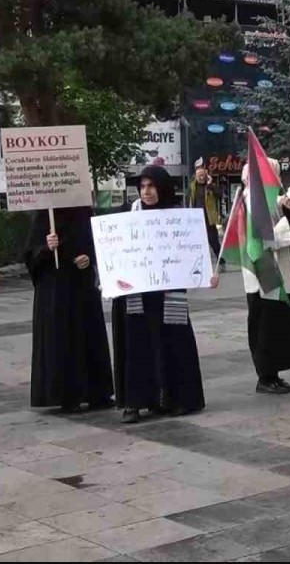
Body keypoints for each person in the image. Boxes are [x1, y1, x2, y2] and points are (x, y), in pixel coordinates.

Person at [112, 166, 206, 423]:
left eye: (151, 186)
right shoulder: (128, 214)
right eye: (142, 186)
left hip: (168, 292)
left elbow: (191, 251)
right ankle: (134, 402)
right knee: (136, 344)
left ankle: (177, 399)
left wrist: (204, 272)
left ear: (162, 188)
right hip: (137, 294)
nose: (146, 191)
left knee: (173, 342)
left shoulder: (177, 216)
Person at [221, 160, 290, 394]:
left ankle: (273, 374)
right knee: (265, 325)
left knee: (276, 324)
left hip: (275, 272)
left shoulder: (268, 198)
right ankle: (266, 376)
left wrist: (288, 209)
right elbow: (261, 239)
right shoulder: (250, 200)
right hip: (263, 273)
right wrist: (285, 220)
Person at [25, 206, 114, 413]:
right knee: (62, 337)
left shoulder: (83, 212)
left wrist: (89, 258)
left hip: (82, 287)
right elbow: (30, 253)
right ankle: (66, 395)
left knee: (88, 335)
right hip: (55, 289)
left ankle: (96, 392)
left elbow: (97, 243)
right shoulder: (44, 214)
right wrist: (46, 248)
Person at [189, 164, 224, 271]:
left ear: (206, 175)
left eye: (203, 175)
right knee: (197, 243)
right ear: (195, 176)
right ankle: (199, 265)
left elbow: (220, 195)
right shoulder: (192, 186)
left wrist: (210, 185)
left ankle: (221, 262)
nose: (201, 177)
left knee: (213, 241)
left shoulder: (210, 186)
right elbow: (189, 200)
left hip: (209, 219)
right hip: (196, 219)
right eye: (199, 175)